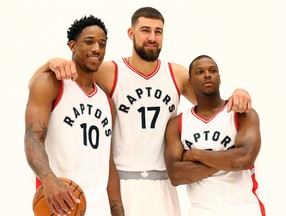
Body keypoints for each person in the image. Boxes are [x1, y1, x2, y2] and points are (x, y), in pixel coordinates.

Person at [29, 7, 252, 216]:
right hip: (123, 182)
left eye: (158, 31)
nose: (152, 37)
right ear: (131, 33)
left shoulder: (176, 74)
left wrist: (239, 92)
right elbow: (43, 85)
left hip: (164, 182)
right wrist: (50, 63)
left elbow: (213, 107)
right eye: (145, 30)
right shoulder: (109, 71)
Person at [24, 15, 124, 216]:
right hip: (60, 206)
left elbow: (108, 162)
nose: (97, 48)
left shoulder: (106, 101)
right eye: (89, 41)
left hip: (99, 209)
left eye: (102, 44)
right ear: (72, 45)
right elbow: (33, 138)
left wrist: (118, 211)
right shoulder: (50, 84)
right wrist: (49, 179)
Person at [164, 55, 266, 216]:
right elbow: (176, 175)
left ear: (220, 78)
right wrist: (228, 159)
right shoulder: (178, 124)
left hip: (244, 209)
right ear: (190, 81)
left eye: (213, 71)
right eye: (199, 72)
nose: (207, 75)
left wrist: (195, 154)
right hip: (201, 211)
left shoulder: (242, 113)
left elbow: (244, 160)